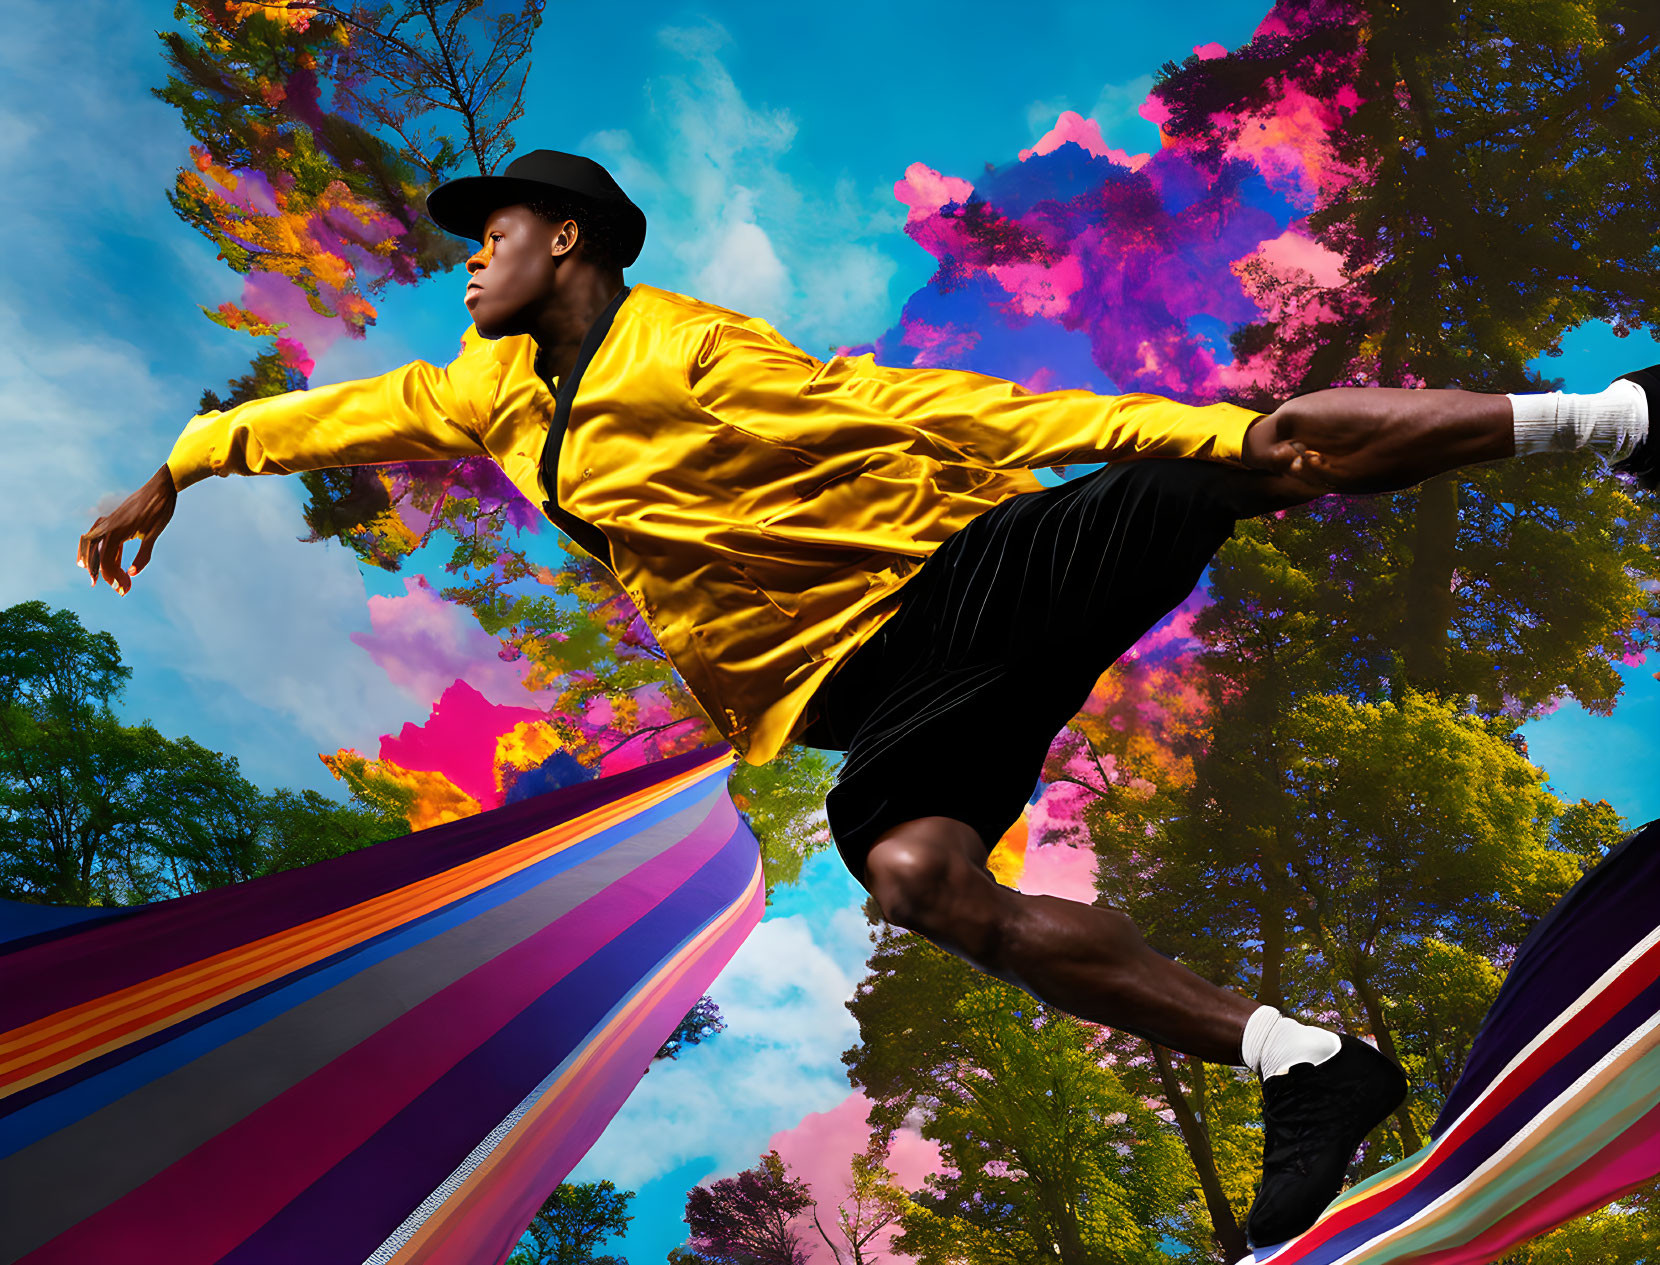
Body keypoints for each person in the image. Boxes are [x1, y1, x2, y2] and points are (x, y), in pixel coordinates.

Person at [77, 150, 1658, 1248]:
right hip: (859, 689)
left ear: (564, 238)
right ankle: (1304, 1062)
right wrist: (177, 466)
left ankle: (1614, 417)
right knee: (917, 878)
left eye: (486, 235)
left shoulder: (695, 351)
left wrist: (1159, 434)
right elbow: (333, 416)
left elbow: (902, 399)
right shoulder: (488, 390)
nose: (466, 261)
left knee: (1264, 452)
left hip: (958, 578)